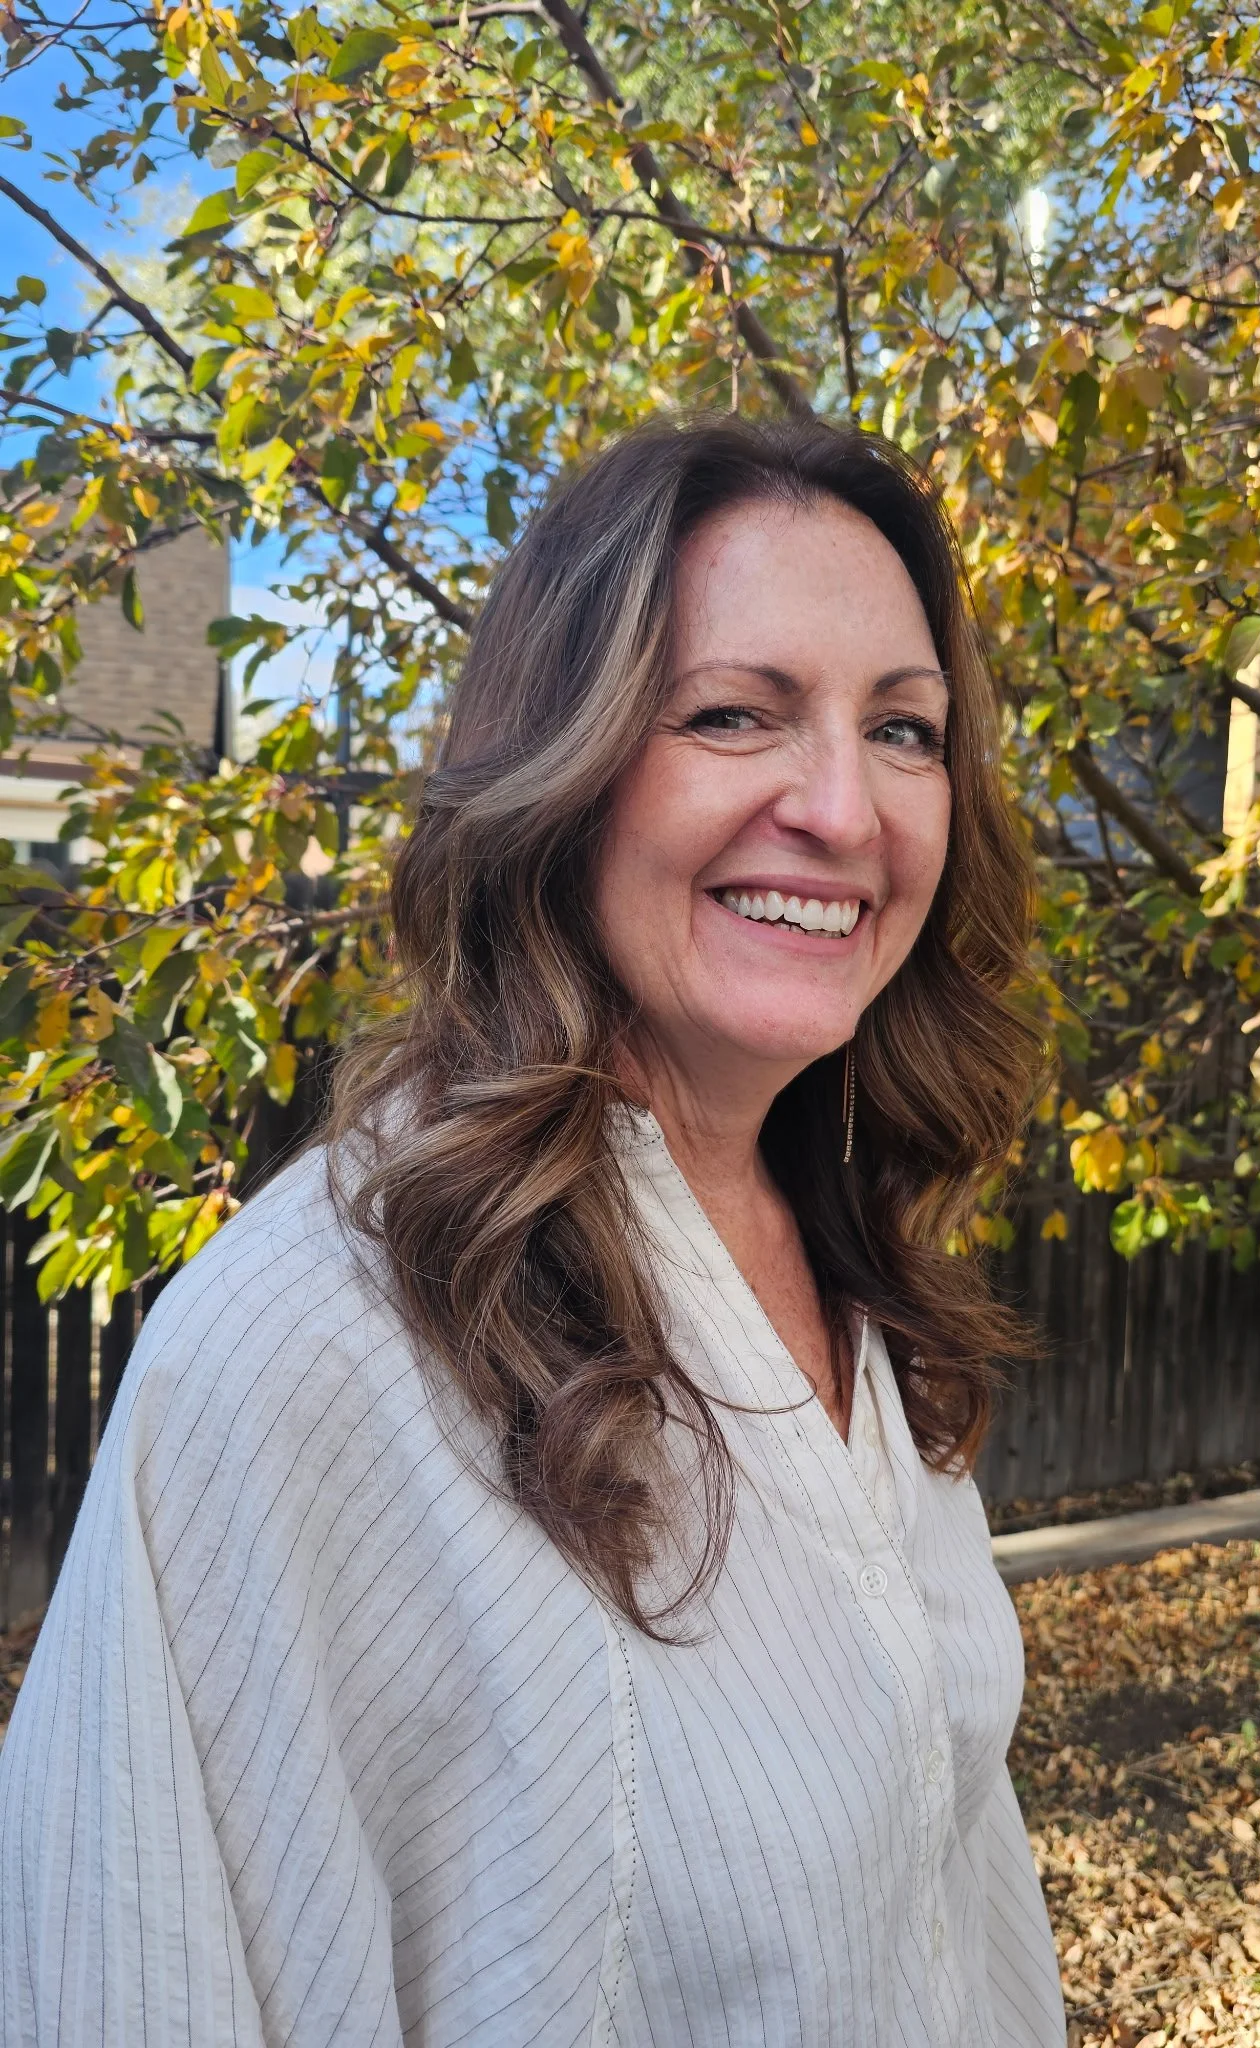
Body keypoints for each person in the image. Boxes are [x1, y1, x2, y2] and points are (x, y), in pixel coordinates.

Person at [0, 416, 1066, 2046]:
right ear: (558, 770)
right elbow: (125, 1973)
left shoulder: (854, 1271)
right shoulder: (312, 1343)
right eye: (734, 714)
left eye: (907, 732)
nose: (847, 810)